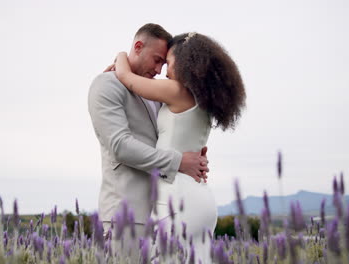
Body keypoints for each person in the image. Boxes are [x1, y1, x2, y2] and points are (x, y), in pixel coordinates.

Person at [113, 32, 246, 263]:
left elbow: (127, 77)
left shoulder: (177, 91)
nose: (165, 71)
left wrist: (121, 55)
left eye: (170, 63)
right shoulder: (202, 100)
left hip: (176, 198)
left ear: (187, 63)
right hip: (199, 198)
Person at [87, 24, 209, 260]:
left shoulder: (152, 93)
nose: (159, 69)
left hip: (163, 214)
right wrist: (179, 162)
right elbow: (120, 146)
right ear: (138, 47)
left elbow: (171, 135)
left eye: (164, 64)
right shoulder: (106, 85)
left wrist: (195, 158)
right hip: (126, 215)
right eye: (156, 60)